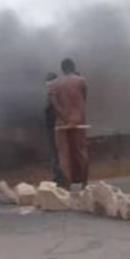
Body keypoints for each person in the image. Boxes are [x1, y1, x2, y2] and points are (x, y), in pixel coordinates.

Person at [48, 58, 89, 190]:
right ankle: (84, 184)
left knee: (63, 155)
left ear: (62, 69)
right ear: (73, 67)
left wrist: (64, 116)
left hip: (61, 123)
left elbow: (54, 103)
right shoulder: (81, 81)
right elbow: (83, 98)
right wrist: (74, 116)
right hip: (78, 120)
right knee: (81, 152)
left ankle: (67, 185)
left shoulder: (54, 84)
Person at [44, 72, 65, 185]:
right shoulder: (54, 95)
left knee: (57, 153)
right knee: (57, 153)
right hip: (54, 128)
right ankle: (59, 176)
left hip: (56, 128)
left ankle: (60, 177)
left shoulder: (55, 96)